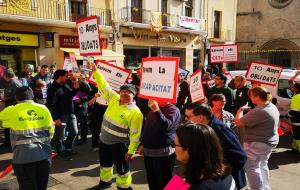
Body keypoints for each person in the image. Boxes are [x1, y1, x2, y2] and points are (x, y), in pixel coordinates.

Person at [88, 62, 143, 190]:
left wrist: (131, 151)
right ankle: (105, 182)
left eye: (128, 92)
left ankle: (124, 187)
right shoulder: (114, 98)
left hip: (120, 146)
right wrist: (96, 71)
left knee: (122, 169)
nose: (124, 94)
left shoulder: (136, 112)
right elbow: (104, 85)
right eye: (123, 91)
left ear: (133, 95)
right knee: (105, 165)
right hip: (104, 142)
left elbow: (135, 135)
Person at [0, 86, 55, 190]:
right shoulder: (43, 108)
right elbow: (51, 129)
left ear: (16, 98)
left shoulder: (11, 111)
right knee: (42, 186)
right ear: (32, 96)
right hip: (44, 155)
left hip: (23, 158)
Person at [185, 103, 247, 190]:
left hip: (224, 179)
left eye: (188, 116)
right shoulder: (203, 128)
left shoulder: (219, 129)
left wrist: (223, 171)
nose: (186, 119)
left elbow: (240, 156)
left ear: (201, 118)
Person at [235, 86, 280, 190]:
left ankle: (257, 188)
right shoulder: (271, 106)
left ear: (257, 97)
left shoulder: (260, 110)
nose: (250, 99)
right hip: (268, 142)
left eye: (251, 96)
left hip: (257, 143)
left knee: (252, 167)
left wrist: (240, 110)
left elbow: (238, 122)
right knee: (262, 165)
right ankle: (264, 187)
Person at [174, 122, 236, 190]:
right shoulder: (228, 177)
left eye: (175, 144)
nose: (174, 148)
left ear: (189, 151)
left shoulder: (184, 186)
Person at [140, 100, 181, 190]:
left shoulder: (173, 110)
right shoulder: (154, 109)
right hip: (149, 152)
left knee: (166, 181)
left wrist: (157, 110)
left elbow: (166, 126)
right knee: (152, 179)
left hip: (163, 153)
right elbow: (149, 128)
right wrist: (143, 143)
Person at [46, 70, 78, 160]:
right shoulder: (52, 88)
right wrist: (56, 118)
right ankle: (60, 152)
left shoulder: (66, 84)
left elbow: (70, 96)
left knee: (74, 132)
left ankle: (68, 148)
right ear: (60, 76)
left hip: (70, 113)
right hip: (60, 115)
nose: (67, 77)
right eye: (66, 76)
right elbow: (51, 104)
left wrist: (75, 89)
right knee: (59, 135)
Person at [2, 68, 22, 147]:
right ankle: (8, 141)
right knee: (8, 124)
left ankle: (9, 142)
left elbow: (20, 95)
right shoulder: (11, 82)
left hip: (13, 107)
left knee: (10, 125)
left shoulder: (14, 82)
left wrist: (7, 98)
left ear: (6, 75)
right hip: (10, 106)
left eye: (3, 75)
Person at [287, 72, 300, 152]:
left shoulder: (296, 97)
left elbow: (294, 112)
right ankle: (294, 148)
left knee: (298, 136)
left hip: (297, 120)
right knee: (295, 135)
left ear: (296, 89)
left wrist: (286, 116)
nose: (291, 88)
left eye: (293, 88)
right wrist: (296, 74)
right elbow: (290, 82)